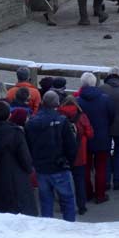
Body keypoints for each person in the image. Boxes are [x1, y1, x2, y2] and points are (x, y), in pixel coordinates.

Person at [25, 91, 78, 221]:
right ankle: (69, 226)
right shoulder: (62, 121)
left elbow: (28, 144)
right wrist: (69, 162)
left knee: (46, 200)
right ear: (57, 104)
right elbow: (71, 145)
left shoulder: (31, 122)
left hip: (41, 167)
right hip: (59, 166)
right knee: (67, 200)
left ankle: (47, 227)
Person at [0, 101, 38, 216]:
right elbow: (24, 157)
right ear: (9, 115)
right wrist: (29, 169)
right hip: (16, 177)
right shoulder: (16, 133)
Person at [76, 72, 115, 204]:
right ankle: (100, 195)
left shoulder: (78, 101)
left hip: (84, 138)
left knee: (85, 167)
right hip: (102, 137)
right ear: (95, 83)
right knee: (101, 167)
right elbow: (111, 116)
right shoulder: (105, 99)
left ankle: (87, 193)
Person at [59, 93, 94, 216]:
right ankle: (82, 206)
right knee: (79, 181)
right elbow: (90, 134)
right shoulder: (82, 116)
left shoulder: (59, 116)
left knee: (63, 181)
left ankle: (64, 206)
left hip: (63, 154)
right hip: (80, 154)